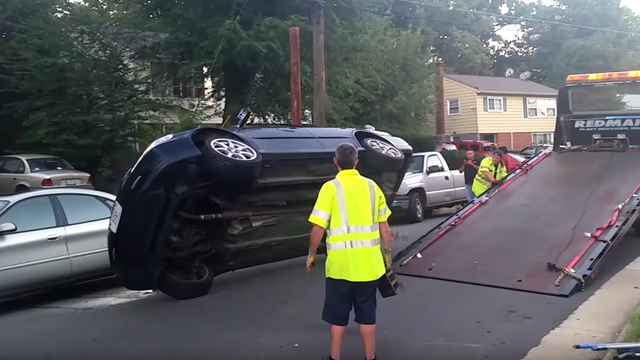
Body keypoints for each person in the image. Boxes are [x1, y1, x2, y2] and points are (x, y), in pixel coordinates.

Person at [306, 142, 393, 360]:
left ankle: (334, 358)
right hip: (369, 267)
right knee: (367, 317)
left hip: (340, 267)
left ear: (335, 162)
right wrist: (387, 254)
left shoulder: (330, 188)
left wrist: (311, 253)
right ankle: (370, 357)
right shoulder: (372, 187)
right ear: (356, 162)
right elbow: (384, 227)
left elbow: (318, 226)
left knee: (337, 319)